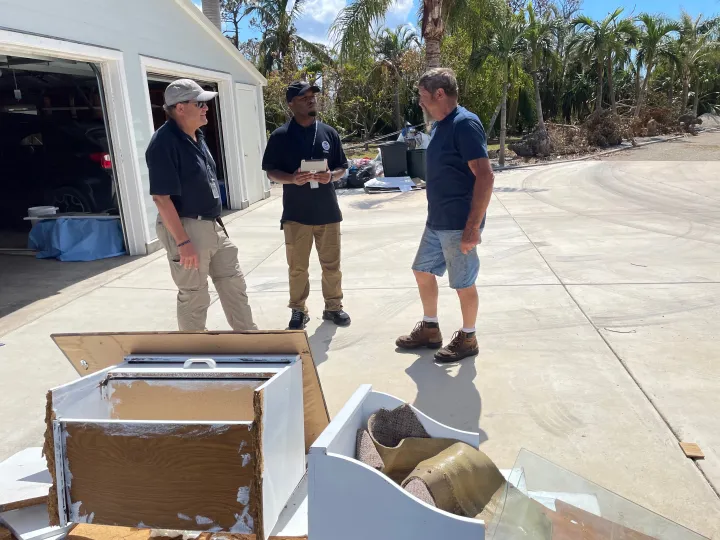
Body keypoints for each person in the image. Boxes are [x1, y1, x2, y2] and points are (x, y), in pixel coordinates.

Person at [396, 68, 494, 362]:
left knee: (463, 283)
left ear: (440, 94)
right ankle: (430, 328)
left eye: (423, 96)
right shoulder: (439, 125)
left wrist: (472, 227)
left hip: (458, 222)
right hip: (437, 219)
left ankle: (468, 337)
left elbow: (485, 177)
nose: (420, 102)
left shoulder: (464, 124)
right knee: (422, 270)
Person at [146, 78, 257, 332]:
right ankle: (194, 352)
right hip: (187, 227)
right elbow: (161, 199)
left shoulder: (197, 136)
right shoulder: (164, 143)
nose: (206, 108)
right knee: (194, 294)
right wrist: (183, 242)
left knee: (233, 283)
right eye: (200, 103)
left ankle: (250, 340)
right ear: (180, 108)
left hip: (212, 226)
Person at [262, 81, 350, 330]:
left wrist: (331, 176)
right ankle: (298, 310)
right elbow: (270, 172)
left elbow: (342, 166)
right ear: (291, 104)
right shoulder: (280, 136)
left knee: (332, 266)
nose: (311, 100)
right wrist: (292, 178)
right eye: (304, 98)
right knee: (297, 268)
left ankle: (334, 307)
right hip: (296, 215)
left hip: (328, 212)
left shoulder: (329, 133)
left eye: (313, 96)